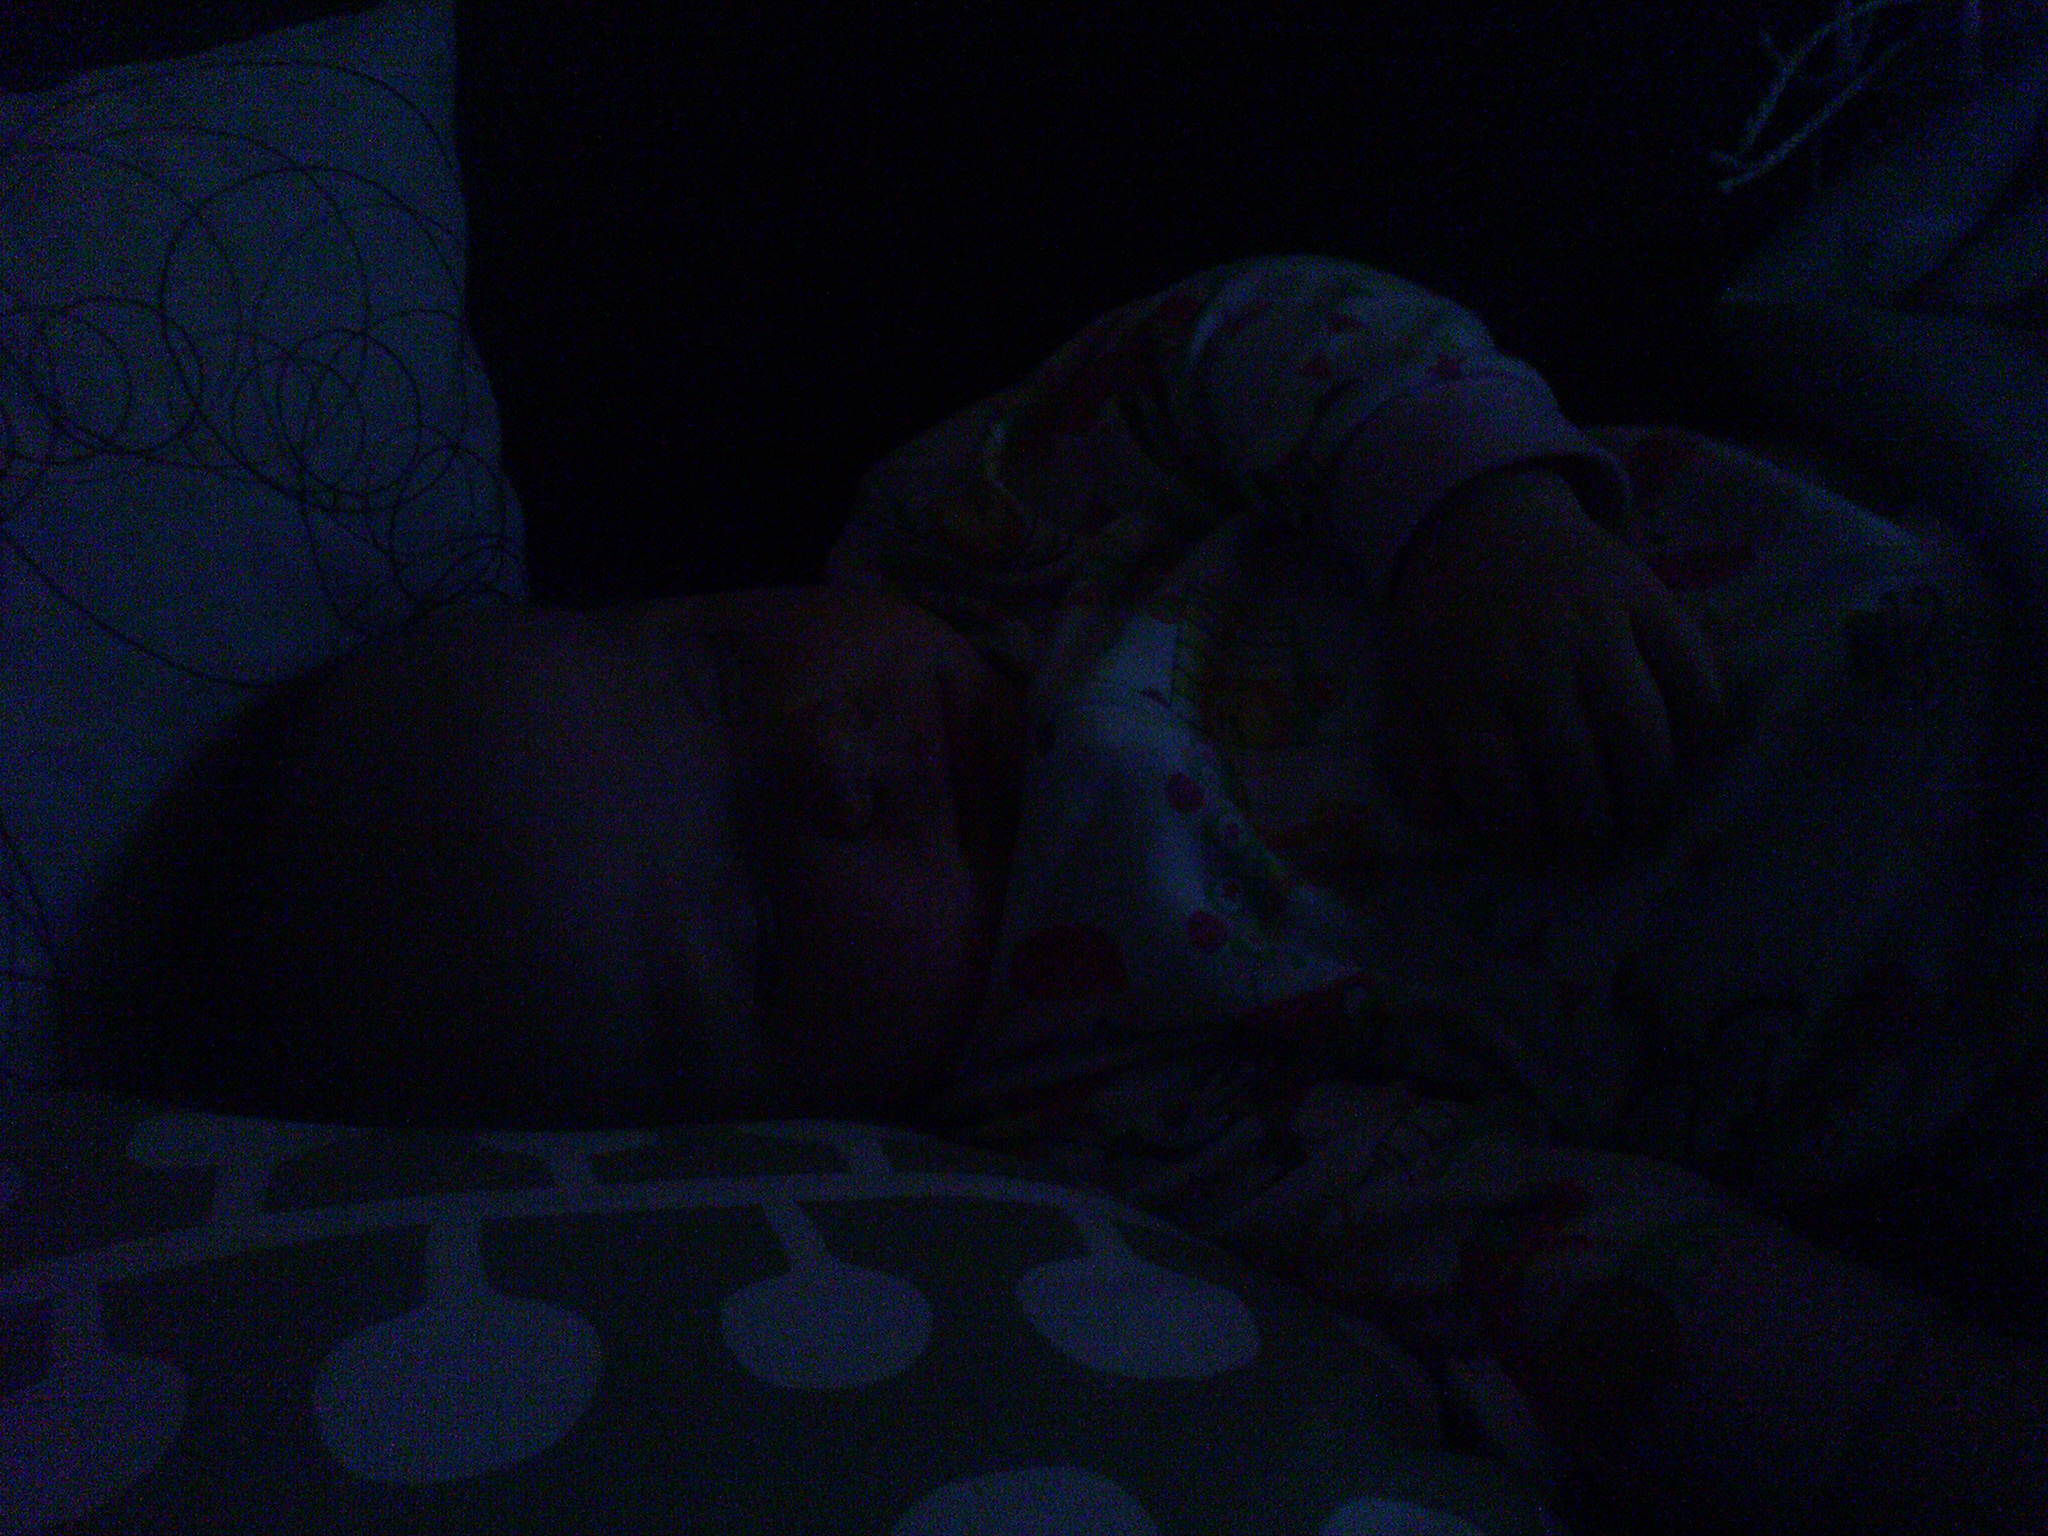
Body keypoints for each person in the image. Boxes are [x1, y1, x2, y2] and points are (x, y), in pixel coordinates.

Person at [52, 243, 2048, 1532]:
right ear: (767, 1121)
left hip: (1918, 589)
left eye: (714, 676)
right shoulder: (1112, 1111)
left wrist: (1477, 521)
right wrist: (1926, 1422)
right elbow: (1566, 1272)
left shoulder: (977, 530)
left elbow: (1257, 340)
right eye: (744, 915)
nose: (824, 773)